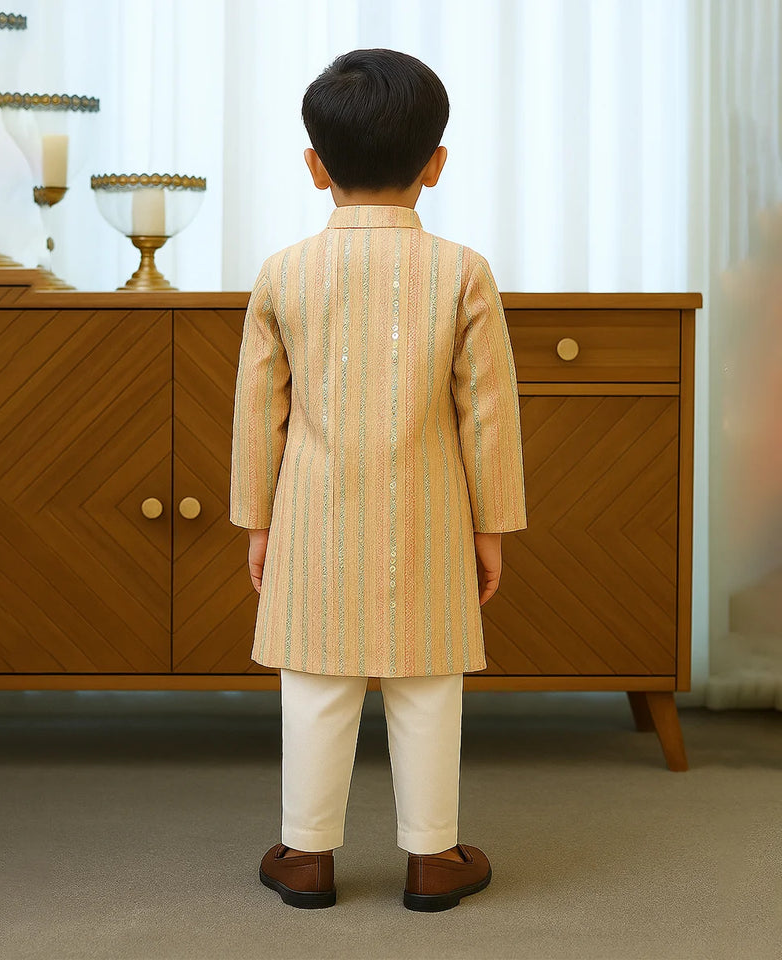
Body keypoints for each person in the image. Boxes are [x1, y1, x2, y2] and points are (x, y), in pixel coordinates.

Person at [230, 47, 527, 912]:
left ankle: (305, 854)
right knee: (427, 680)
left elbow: (260, 412)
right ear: (435, 165)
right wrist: (491, 524)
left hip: (314, 516)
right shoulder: (462, 270)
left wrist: (258, 521)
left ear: (314, 166)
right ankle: (434, 859)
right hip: (430, 515)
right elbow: (489, 412)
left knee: (315, 683)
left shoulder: (283, 273)